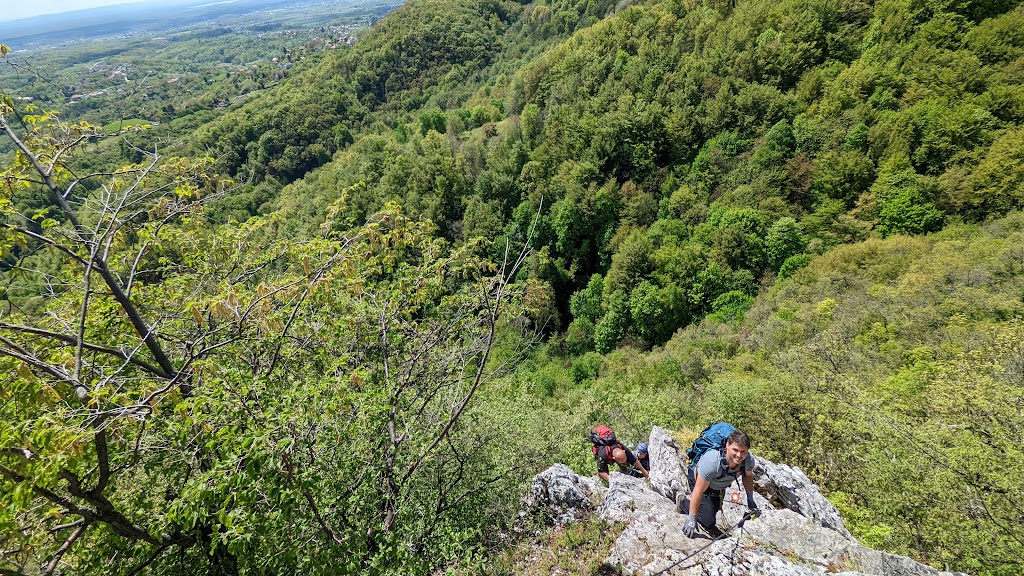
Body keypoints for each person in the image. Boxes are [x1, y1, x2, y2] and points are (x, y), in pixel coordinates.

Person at [680, 429, 759, 537]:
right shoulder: (712, 461)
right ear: (727, 445)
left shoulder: (748, 460)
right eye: (735, 450)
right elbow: (698, 490)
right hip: (700, 481)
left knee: (713, 512)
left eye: (743, 451)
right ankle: (682, 502)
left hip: (718, 486)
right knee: (707, 521)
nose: (739, 455)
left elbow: (748, 476)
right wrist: (691, 518)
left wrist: (750, 497)